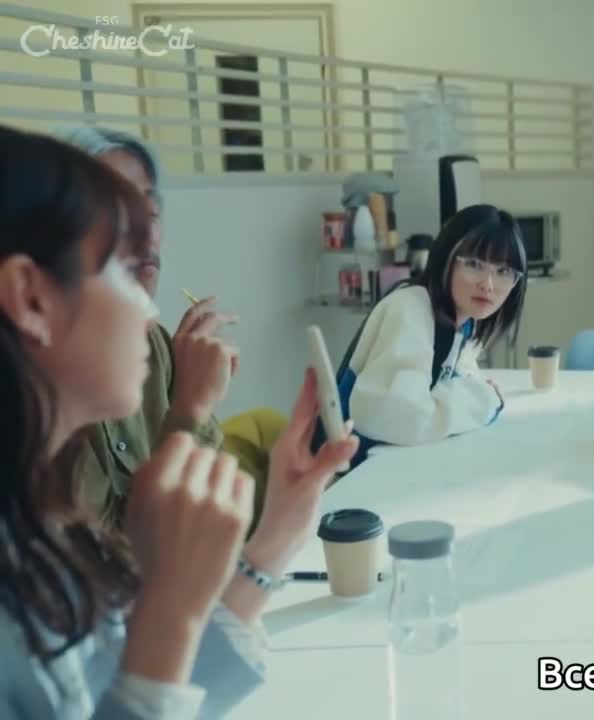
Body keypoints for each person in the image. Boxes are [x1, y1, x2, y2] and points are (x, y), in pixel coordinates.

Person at [0, 125, 356, 718]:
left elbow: (125, 687)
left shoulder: (40, 526)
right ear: (31, 299)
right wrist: (170, 606)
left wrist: (274, 541)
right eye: (118, 267)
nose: (146, 303)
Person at [53, 126, 241, 529]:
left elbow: (206, 516)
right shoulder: (37, 376)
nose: (145, 233)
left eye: (151, 212)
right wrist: (192, 406)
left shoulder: (154, 344)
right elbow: (111, 552)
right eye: (115, 210)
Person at [315, 203, 527, 470]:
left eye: (504, 271)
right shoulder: (411, 308)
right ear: (446, 257)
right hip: (344, 476)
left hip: (390, 466)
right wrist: (485, 399)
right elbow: (402, 419)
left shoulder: (462, 320)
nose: (488, 284)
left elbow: (459, 380)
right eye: (474, 264)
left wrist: (475, 392)